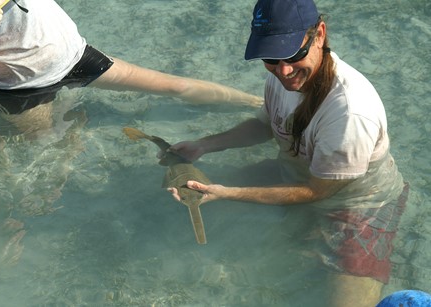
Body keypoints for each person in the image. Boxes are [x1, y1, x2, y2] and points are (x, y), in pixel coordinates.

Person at [166, 0, 408, 306]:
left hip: (359, 207)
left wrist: (228, 193)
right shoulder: (282, 77)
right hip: (295, 175)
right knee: (189, 198)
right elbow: (264, 126)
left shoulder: (350, 112)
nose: (283, 69)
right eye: (271, 56)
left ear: (320, 34)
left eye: (294, 53)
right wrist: (205, 144)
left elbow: (316, 191)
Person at [0, 0, 262, 116]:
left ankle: (258, 105)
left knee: (175, 86)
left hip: (76, 55)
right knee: (47, 146)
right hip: (22, 88)